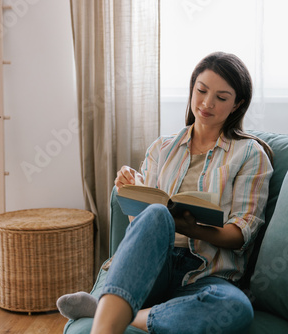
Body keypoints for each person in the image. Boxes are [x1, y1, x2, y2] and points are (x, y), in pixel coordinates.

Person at [57, 51, 273, 334]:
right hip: (152, 267)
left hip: (207, 275)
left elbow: (240, 235)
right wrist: (131, 192)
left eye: (221, 98)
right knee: (157, 213)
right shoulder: (162, 148)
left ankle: (108, 311)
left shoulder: (250, 155)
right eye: (201, 91)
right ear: (192, 88)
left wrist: (192, 229)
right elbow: (141, 225)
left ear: (237, 104)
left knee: (236, 308)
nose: (207, 103)